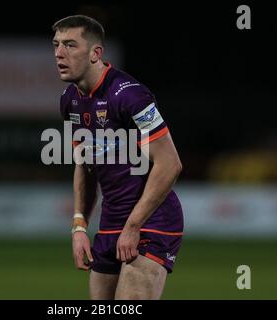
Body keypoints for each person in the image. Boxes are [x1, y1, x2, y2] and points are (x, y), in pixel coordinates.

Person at [52, 15, 184, 300]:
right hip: (111, 222)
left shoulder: (129, 96)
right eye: (56, 45)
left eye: (70, 45)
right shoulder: (69, 100)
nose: (59, 54)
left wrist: (134, 225)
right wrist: (78, 226)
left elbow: (170, 163)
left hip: (152, 221)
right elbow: (85, 166)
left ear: (95, 53)